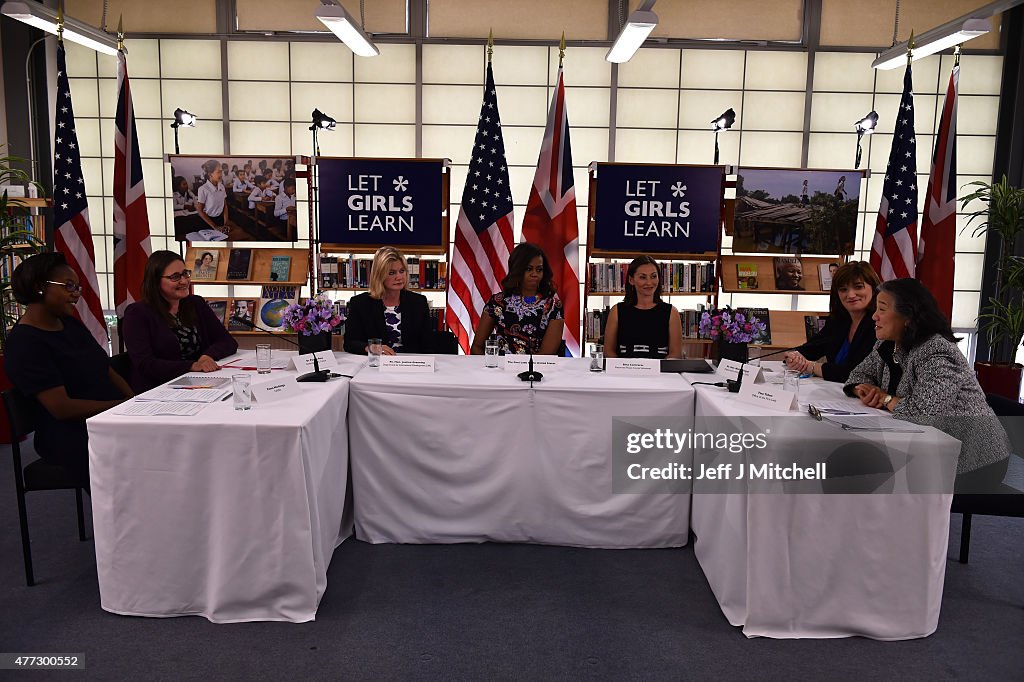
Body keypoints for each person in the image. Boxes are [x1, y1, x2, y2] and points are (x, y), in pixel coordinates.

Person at [844, 278, 1010, 491]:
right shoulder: (887, 343)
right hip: (926, 447)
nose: (874, 316)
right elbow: (858, 374)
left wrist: (884, 398)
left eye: (882, 309)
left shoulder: (938, 351)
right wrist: (863, 390)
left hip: (974, 461)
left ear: (907, 317)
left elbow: (922, 414)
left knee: (868, 474)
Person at [4, 253, 133, 489]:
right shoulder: (25, 343)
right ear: (39, 287)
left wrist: (132, 400)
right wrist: (121, 406)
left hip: (110, 417)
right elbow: (62, 408)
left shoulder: (70, 324)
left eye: (78, 286)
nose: (77, 293)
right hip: (70, 433)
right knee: (147, 457)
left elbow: (105, 369)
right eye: (69, 286)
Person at [123, 250, 239, 393]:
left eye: (185, 274)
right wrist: (191, 366)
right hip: (159, 389)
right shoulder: (137, 313)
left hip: (201, 383)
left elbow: (227, 341)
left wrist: (206, 356)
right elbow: (145, 364)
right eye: (175, 277)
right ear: (155, 281)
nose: (184, 281)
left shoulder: (195, 303)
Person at [784, 261, 880, 382]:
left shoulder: (879, 324)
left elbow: (855, 372)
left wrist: (811, 366)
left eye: (858, 287)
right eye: (843, 289)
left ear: (874, 288)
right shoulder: (838, 321)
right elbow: (811, 349)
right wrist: (793, 357)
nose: (850, 295)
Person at [471, 243, 564, 355]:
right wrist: (489, 369)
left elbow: (545, 356)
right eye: (529, 269)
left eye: (539, 270)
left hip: (536, 371)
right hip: (499, 370)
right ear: (517, 270)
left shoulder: (553, 306)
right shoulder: (497, 303)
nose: (534, 274)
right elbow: (477, 346)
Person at [343, 246, 435, 355]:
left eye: (402, 271)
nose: (399, 277)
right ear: (379, 275)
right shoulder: (360, 303)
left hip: (410, 364)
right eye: (391, 273)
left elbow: (428, 344)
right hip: (376, 364)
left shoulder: (418, 302)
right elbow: (350, 343)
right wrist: (370, 348)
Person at [603, 256, 683, 359]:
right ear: (631, 280)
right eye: (643, 277)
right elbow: (609, 352)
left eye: (653, 276)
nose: (649, 283)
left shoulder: (671, 312)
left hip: (660, 373)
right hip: (624, 372)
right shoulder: (617, 311)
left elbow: (675, 355)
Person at [196, 160, 229, 235]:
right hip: (207, 222)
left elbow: (225, 206)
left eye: (221, 172)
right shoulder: (203, 189)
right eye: (218, 172)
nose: (221, 174)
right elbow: (200, 211)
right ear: (210, 174)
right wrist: (215, 227)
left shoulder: (221, 187)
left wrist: (226, 223)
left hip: (220, 220)